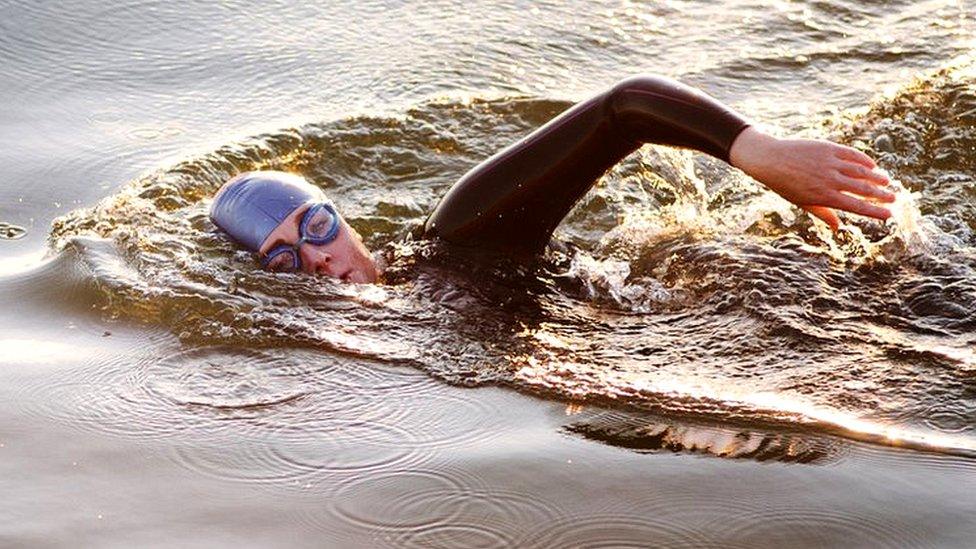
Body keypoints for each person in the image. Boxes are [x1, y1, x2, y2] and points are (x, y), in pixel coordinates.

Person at [209, 75, 894, 283]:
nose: (320, 258)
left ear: (343, 218)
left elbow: (623, 109)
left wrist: (760, 151)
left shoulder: (459, 236)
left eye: (318, 227)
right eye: (283, 257)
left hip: (792, 281)